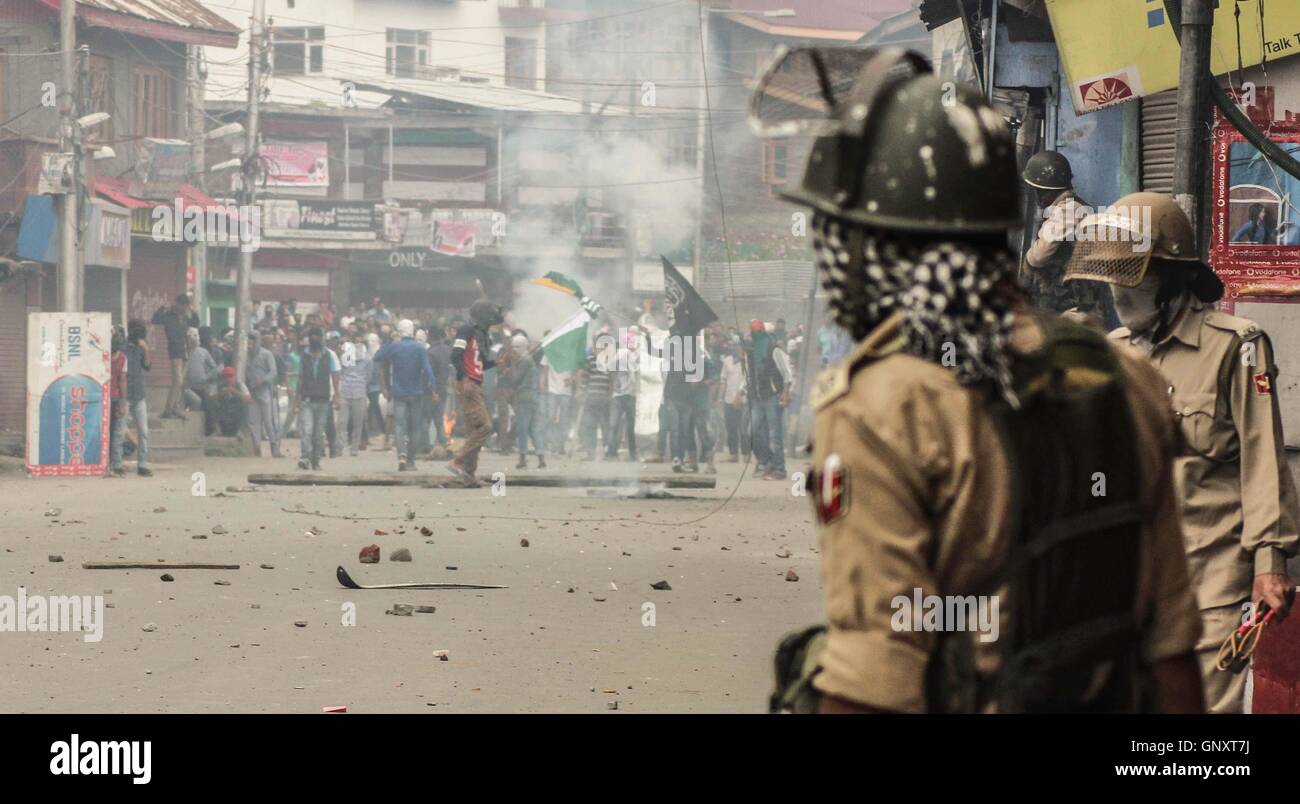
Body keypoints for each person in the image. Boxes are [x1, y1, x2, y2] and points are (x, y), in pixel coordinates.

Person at [767, 48, 1204, 714]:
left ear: (879, 243)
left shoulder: (881, 407)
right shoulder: (1128, 377)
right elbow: (1169, 650)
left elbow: (873, 679)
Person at [1064, 192, 1300, 713]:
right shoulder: (1120, 352)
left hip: (1213, 581)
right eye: (1112, 284)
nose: (1119, 298)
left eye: (1133, 281)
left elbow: (1264, 458)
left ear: (1172, 279)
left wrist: (1269, 560)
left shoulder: (1236, 346)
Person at [1021, 151, 1117, 328]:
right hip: (1073, 306)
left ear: (1044, 191)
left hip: (1078, 309)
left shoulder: (1068, 210)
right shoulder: (1068, 208)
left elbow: (1039, 256)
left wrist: (1026, 265)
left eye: (1037, 190)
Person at [447, 301, 503, 484]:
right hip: (469, 384)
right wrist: (463, 378)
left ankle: (469, 475)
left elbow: (481, 363)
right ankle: (457, 460)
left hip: (474, 383)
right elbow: (455, 355)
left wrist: (497, 362)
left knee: (475, 430)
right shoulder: (466, 330)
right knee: (486, 427)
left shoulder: (482, 335)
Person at [374, 318, 435, 471]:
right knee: (415, 427)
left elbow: (377, 357)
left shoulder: (395, 346)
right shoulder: (420, 348)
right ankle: (411, 460)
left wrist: (389, 340)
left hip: (399, 392)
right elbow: (428, 371)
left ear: (399, 331)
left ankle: (401, 455)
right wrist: (432, 388)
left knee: (400, 425)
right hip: (416, 392)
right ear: (412, 331)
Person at [746, 320, 791, 480]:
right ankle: (766, 462)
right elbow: (750, 375)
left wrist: (785, 394)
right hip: (757, 398)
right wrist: (743, 391)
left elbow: (786, 373)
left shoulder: (774, 349)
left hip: (773, 397)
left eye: (757, 330)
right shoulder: (751, 351)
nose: (755, 334)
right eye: (753, 330)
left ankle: (780, 469)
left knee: (774, 435)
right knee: (752, 432)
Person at [110, 320, 152, 477]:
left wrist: (146, 349)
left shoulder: (141, 348)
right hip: (125, 396)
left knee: (143, 431)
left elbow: (147, 366)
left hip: (139, 395)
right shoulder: (123, 348)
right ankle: (117, 464)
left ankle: (142, 464)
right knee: (120, 431)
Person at [294, 327, 340, 471]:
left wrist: (337, 395)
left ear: (321, 338)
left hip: (323, 399)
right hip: (307, 399)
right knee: (307, 430)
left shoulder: (329, 355)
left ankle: (316, 461)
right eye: (311, 336)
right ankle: (305, 457)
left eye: (317, 336)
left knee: (318, 433)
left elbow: (335, 375)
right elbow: (300, 377)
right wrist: (297, 398)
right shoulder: (304, 355)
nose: (314, 338)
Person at [151, 294, 199, 419]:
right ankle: (169, 409)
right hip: (175, 350)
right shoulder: (168, 315)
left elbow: (195, 323)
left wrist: (194, 312)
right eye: (183, 306)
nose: (185, 308)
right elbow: (155, 320)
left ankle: (174, 408)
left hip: (185, 351)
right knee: (178, 380)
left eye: (186, 306)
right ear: (178, 304)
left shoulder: (184, 317)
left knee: (180, 381)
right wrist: (162, 308)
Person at [503, 333, 546, 469]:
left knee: (522, 429)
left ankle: (522, 459)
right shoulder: (527, 360)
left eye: (516, 347)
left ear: (523, 347)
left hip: (524, 398)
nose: (514, 349)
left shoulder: (525, 361)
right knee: (533, 430)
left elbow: (516, 380)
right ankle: (541, 458)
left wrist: (509, 371)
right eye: (513, 347)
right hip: (532, 397)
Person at [604, 326, 640, 461]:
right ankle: (613, 453)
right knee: (616, 425)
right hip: (620, 396)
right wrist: (615, 381)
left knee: (626, 427)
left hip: (630, 395)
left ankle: (627, 454)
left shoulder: (636, 355)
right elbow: (610, 369)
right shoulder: (622, 353)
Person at [245, 331, 282, 458]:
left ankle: (274, 447)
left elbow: (273, 372)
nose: (249, 346)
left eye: (251, 343)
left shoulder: (267, 354)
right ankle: (256, 448)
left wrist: (263, 380)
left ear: (257, 342)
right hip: (251, 392)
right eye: (247, 343)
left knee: (268, 420)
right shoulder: (244, 356)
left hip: (265, 391)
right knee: (253, 421)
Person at [338, 329, 372, 457]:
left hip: (359, 393)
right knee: (342, 421)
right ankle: (340, 446)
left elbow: (368, 377)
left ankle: (354, 448)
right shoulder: (346, 357)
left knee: (358, 422)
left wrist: (361, 385)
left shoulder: (368, 360)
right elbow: (341, 373)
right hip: (346, 392)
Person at [185, 327, 221, 436]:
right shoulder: (184, 352)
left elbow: (214, 367)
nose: (194, 339)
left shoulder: (203, 352)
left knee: (209, 406)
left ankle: (212, 429)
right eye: (192, 336)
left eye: (196, 336)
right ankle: (192, 429)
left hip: (203, 386)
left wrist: (206, 376)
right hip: (188, 387)